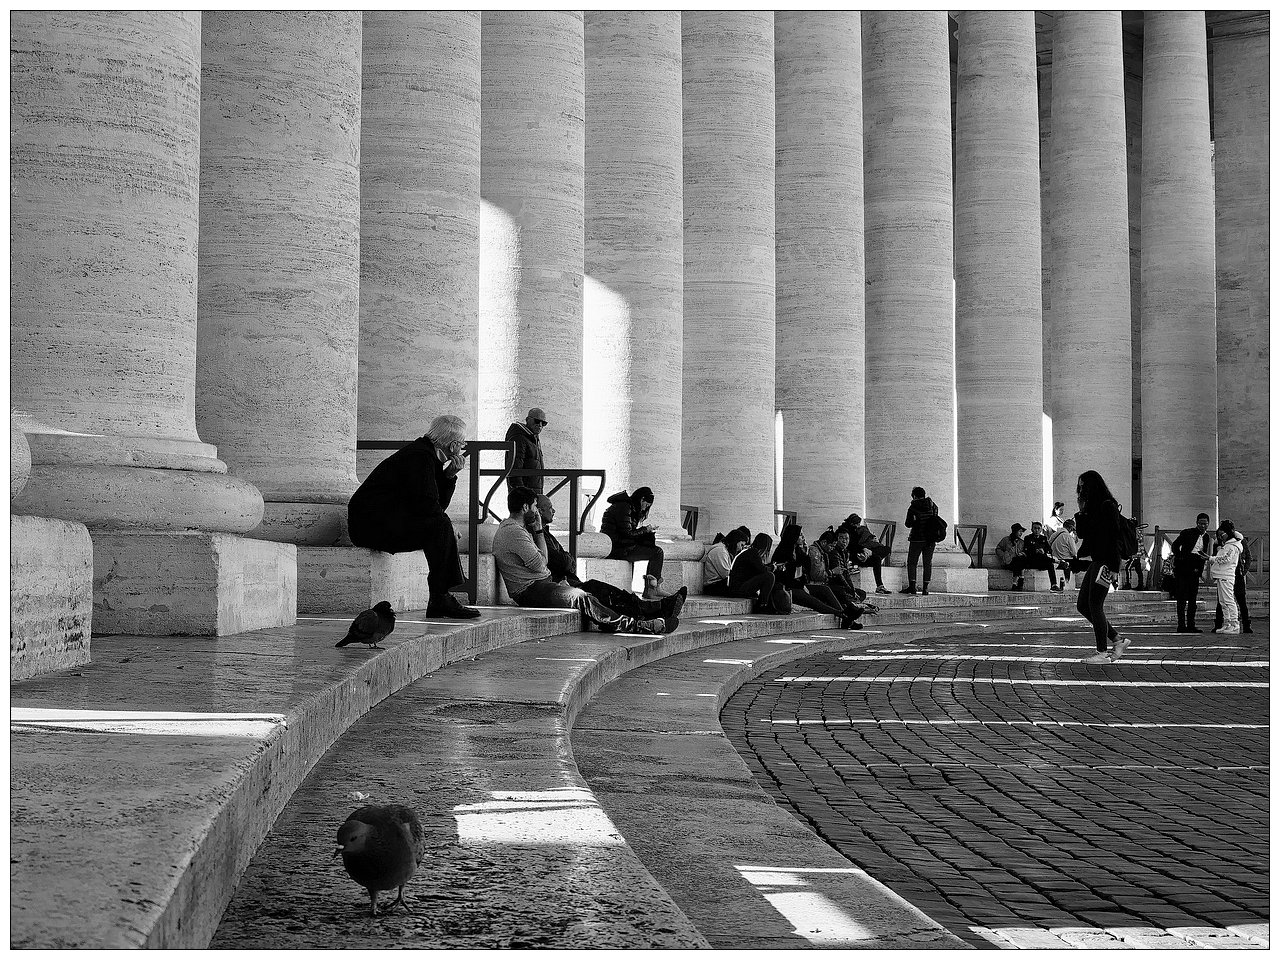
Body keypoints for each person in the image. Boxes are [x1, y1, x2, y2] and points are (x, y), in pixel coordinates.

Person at [492, 487, 685, 634]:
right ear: (525, 507)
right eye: (534, 506)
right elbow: (541, 564)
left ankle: (652, 611)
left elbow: (543, 563)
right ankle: (638, 626)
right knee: (580, 597)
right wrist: (540, 531)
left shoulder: (521, 530)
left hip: (541, 583)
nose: (536, 512)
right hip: (528, 590)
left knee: (593, 590)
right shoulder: (513, 532)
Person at [347, 414, 480, 619]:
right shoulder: (419, 456)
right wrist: (448, 525)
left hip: (383, 521)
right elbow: (427, 506)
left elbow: (435, 505)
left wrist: (448, 476)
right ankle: (441, 598)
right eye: (462, 444)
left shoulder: (427, 454)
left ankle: (441, 597)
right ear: (453, 445)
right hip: (369, 527)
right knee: (442, 526)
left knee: (441, 525)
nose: (462, 448)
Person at [1073, 469, 1129, 663]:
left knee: (1095, 604)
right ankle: (1117, 639)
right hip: (1096, 560)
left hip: (1106, 562)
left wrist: (1115, 567)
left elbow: (1115, 538)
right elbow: (1082, 535)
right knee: (1083, 605)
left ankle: (1102, 653)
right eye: (1079, 487)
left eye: (1083, 486)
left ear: (1092, 486)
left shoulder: (1108, 506)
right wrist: (1081, 511)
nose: (1080, 490)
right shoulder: (1092, 508)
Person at [770, 525, 861, 629]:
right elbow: (784, 577)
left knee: (825, 590)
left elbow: (805, 570)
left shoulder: (798, 551)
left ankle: (846, 617)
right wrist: (801, 586)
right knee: (813, 601)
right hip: (787, 588)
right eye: (800, 535)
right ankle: (843, 615)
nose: (803, 537)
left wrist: (805, 554)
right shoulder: (782, 552)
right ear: (793, 536)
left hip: (797, 584)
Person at [600, 486, 667, 598]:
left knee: (653, 550)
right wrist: (645, 530)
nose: (645, 508)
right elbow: (627, 533)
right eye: (646, 505)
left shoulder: (626, 506)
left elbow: (627, 532)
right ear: (641, 499)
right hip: (618, 548)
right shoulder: (624, 507)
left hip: (619, 546)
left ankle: (652, 588)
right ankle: (652, 589)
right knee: (657, 552)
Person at [1170, 512, 1213, 633]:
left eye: (1205, 524)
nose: (1202, 526)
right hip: (1183, 566)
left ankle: (1191, 624)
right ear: (1196, 523)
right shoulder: (1187, 532)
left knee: (1193, 598)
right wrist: (1179, 557)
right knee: (1182, 597)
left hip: (1196, 567)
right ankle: (1181, 625)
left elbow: (1203, 552)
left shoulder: (1206, 537)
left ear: (1208, 524)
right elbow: (1175, 545)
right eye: (1200, 523)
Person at [730, 533, 788, 613]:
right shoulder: (753, 552)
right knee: (769, 576)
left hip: (737, 587)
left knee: (769, 575)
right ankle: (762, 605)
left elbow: (758, 568)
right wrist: (773, 567)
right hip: (738, 589)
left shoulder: (750, 552)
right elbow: (762, 570)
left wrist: (771, 567)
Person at [535, 494, 583, 588]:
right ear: (540, 511)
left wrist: (567, 560)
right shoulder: (537, 534)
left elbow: (570, 561)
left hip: (567, 581)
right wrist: (567, 560)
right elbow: (562, 563)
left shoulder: (547, 533)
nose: (553, 511)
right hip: (557, 583)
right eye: (550, 507)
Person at [1209, 520, 1249, 635]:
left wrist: (1210, 558)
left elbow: (1225, 559)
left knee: (1229, 600)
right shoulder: (1226, 545)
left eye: (1222, 534)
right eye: (1219, 535)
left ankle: (1234, 624)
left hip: (1227, 575)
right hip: (1221, 574)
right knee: (1222, 601)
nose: (1221, 537)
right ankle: (1227, 623)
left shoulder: (1232, 546)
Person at [900, 486, 940, 595]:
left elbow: (908, 524)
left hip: (917, 538)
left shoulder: (913, 507)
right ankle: (925, 588)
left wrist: (915, 521)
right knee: (928, 563)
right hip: (930, 539)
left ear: (914, 496)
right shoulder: (933, 506)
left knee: (912, 562)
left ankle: (912, 587)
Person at [840, 514, 892, 595]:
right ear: (852, 523)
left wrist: (872, 540)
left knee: (885, 550)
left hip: (863, 552)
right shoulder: (846, 531)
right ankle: (879, 586)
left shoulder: (857, 530)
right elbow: (851, 546)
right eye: (857, 524)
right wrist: (863, 550)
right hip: (855, 556)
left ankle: (880, 586)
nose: (858, 526)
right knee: (876, 558)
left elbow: (864, 540)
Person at [505, 406, 547, 494]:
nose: (540, 425)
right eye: (537, 421)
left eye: (543, 423)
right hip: (524, 495)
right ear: (528, 419)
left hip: (532, 493)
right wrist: (522, 494)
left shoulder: (533, 439)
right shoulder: (519, 438)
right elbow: (515, 469)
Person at [703, 526, 750, 596]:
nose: (741, 548)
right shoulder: (720, 551)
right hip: (713, 586)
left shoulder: (725, 550)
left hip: (720, 583)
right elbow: (726, 574)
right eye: (741, 545)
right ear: (736, 542)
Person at [1020, 521, 1058, 587]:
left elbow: (1049, 549)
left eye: (1038, 528)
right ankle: (1058, 562)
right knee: (1048, 560)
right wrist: (1036, 551)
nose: (1037, 530)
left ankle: (1054, 585)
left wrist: (1044, 551)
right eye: (1035, 528)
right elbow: (1026, 550)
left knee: (1050, 564)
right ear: (1032, 529)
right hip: (1032, 561)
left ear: (1041, 530)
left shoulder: (1043, 538)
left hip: (1042, 560)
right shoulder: (1028, 538)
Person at [1047, 518, 1080, 591]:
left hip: (1055, 559)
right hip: (1066, 560)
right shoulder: (1068, 537)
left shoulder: (1054, 534)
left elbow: (1048, 544)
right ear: (1071, 528)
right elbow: (1074, 553)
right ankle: (1068, 581)